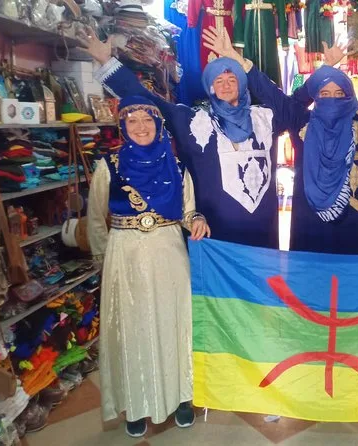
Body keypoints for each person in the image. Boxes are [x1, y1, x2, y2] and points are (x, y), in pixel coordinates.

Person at [202, 21, 358, 254]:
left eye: (339, 94)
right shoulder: (301, 121)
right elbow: (269, 91)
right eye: (324, 93)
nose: (331, 99)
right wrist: (234, 56)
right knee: (309, 284)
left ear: (349, 97)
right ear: (315, 98)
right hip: (308, 224)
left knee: (353, 283)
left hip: (353, 224)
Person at [79, 28, 326, 248]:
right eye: (219, 80)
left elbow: (290, 107)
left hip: (262, 239)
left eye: (232, 79)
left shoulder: (265, 118)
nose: (226, 85)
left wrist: (240, 61)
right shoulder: (193, 122)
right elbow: (147, 98)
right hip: (213, 240)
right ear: (210, 87)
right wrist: (106, 62)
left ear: (243, 84)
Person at [87, 96, 210, 438]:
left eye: (147, 120)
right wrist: (104, 262)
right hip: (125, 258)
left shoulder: (177, 166)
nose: (141, 127)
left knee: (176, 322)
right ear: (123, 127)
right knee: (132, 328)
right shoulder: (108, 166)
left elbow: (187, 211)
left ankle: (183, 397)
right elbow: (95, 218)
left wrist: (197, 220)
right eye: (133, 120)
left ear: (158, 125)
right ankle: (135, 403)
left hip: (168, 253)